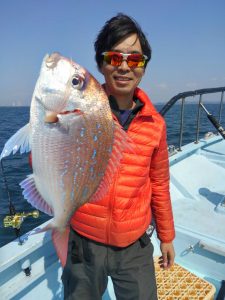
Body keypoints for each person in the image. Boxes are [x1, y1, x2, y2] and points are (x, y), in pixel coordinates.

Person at [62, 13, 175, 300]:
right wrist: (49, 126)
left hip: (134, 246)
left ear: (144, 67)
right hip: (84, 242)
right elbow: (47, 165)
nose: (124, 66)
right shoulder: (78, 113)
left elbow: (159, 183)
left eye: (134, 59)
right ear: (101, 64)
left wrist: (167, 237)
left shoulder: (155, 125)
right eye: (114, 58)